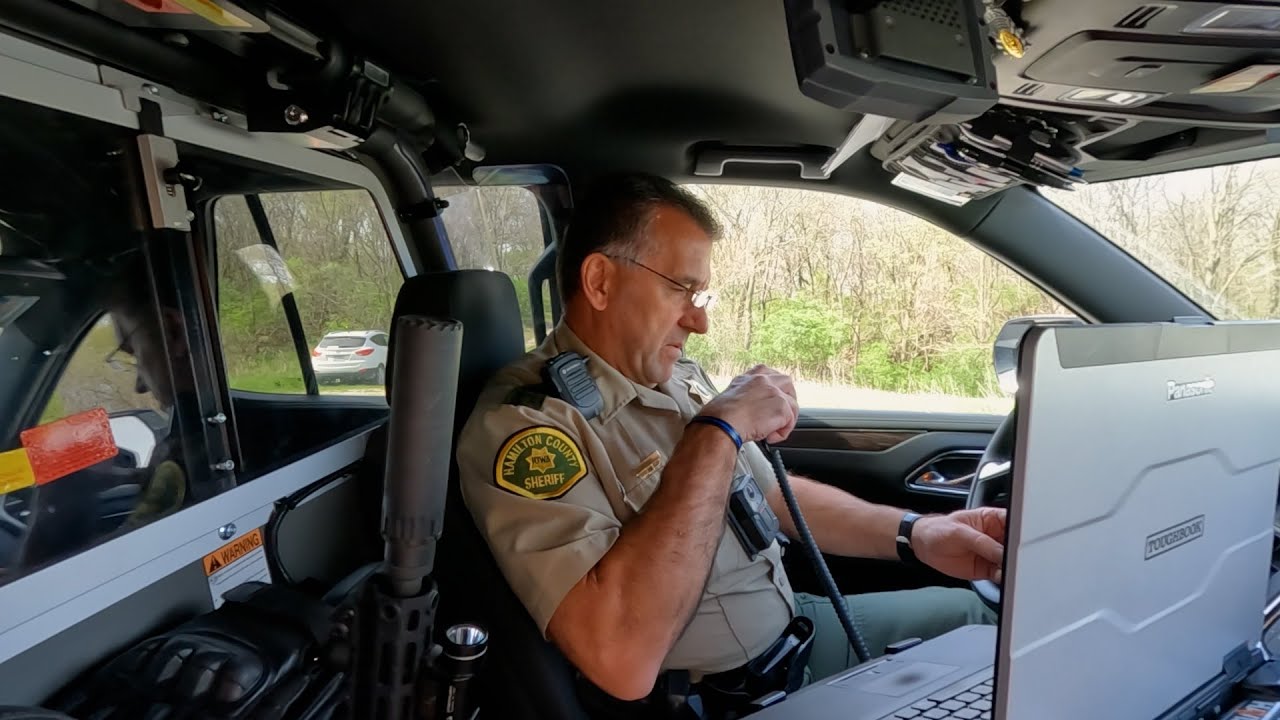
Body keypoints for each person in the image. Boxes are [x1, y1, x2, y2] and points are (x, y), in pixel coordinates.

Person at [455, 173, 1004, 710]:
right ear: (600, 281)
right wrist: (716, 435)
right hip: (713, 697)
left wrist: (918, 532)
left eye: (702, 293)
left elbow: (767, 496)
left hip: (796, 632)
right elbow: (620, 660)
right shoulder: (531, 430)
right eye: (680, 289)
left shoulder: (674, 376)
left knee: (986, 621)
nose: (699, 321)